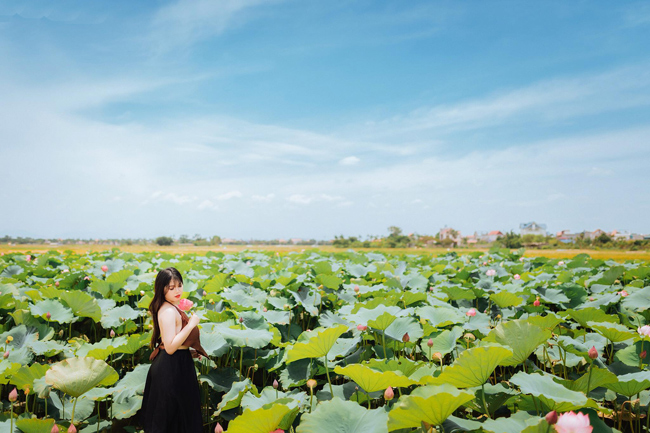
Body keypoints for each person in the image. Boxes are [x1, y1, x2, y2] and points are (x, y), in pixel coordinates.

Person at [139, 267, 208, 432]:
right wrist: (191, 324)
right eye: (171, 288)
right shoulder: (169, 311)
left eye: (179, 285)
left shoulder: (170, 307)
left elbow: (174, 342)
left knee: (177, 418)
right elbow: (169, 347)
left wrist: (187, 352)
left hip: (176, 364)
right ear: (162, 289)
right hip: (171, 370)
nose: (177, 291)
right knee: (173, 420)